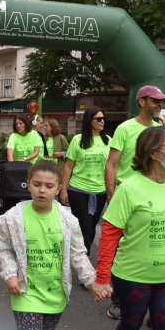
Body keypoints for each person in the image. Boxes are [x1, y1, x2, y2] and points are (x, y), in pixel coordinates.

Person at [95, 126, 165, 330]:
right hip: (132, 277)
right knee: (130, 326)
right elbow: (109, 236)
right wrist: (101, 279)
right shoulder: (128, 189)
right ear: (153, 152)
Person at [0, 160, 109, 330]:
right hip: (25, 294)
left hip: (55, 296)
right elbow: (4, 249)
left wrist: (92, 282)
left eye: (49, 186)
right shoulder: (13, 218)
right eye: (37, 184)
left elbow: (77, 253)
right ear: (28, 185)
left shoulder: (68, 220)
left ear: (58, 188)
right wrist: (10, 274)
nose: (42, 190)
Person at [103, 84, 165, 319]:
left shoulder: (162, 130)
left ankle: (153, 300)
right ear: (141, 102)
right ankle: (119, 299)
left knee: (153, 245)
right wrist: (112, 195)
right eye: (154, 100)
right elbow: (112, 163)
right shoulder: (124, 128)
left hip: (154, 197)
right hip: (127, 196)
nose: (159, 105)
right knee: (122, 250)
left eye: (161, 101)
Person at [60, 106, 110, 255]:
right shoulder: (78, 140)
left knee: (92, 226)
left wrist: (111, 191)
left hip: (100, 192)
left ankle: (80, 255)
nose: (102, 121)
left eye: (103, 119)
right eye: (99, 119)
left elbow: (111, 168)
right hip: (78, 191)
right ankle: (83, 259)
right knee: (85, 226)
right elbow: (68, 167)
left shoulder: (109, 141)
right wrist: (63, 189)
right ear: (89, 120)